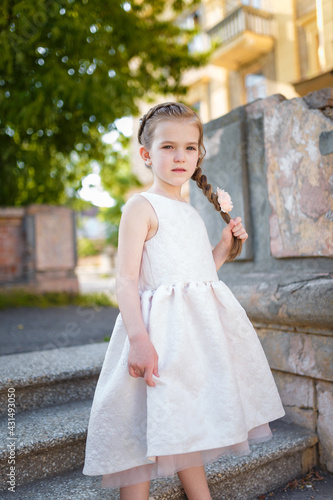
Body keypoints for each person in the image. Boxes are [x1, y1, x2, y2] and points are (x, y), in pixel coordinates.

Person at [82, 102, 285, 500]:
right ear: (146, 154)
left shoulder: (190, 212)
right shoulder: (141, 207)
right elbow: (125, 282)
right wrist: (139, 340)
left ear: (199, 155)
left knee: (185, 419)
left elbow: (194, 278)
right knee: (139, 431)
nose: (180, 157)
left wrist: (223, 251)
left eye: (190, 148)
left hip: (191, 339)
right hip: (155, 336)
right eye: (168, 147)